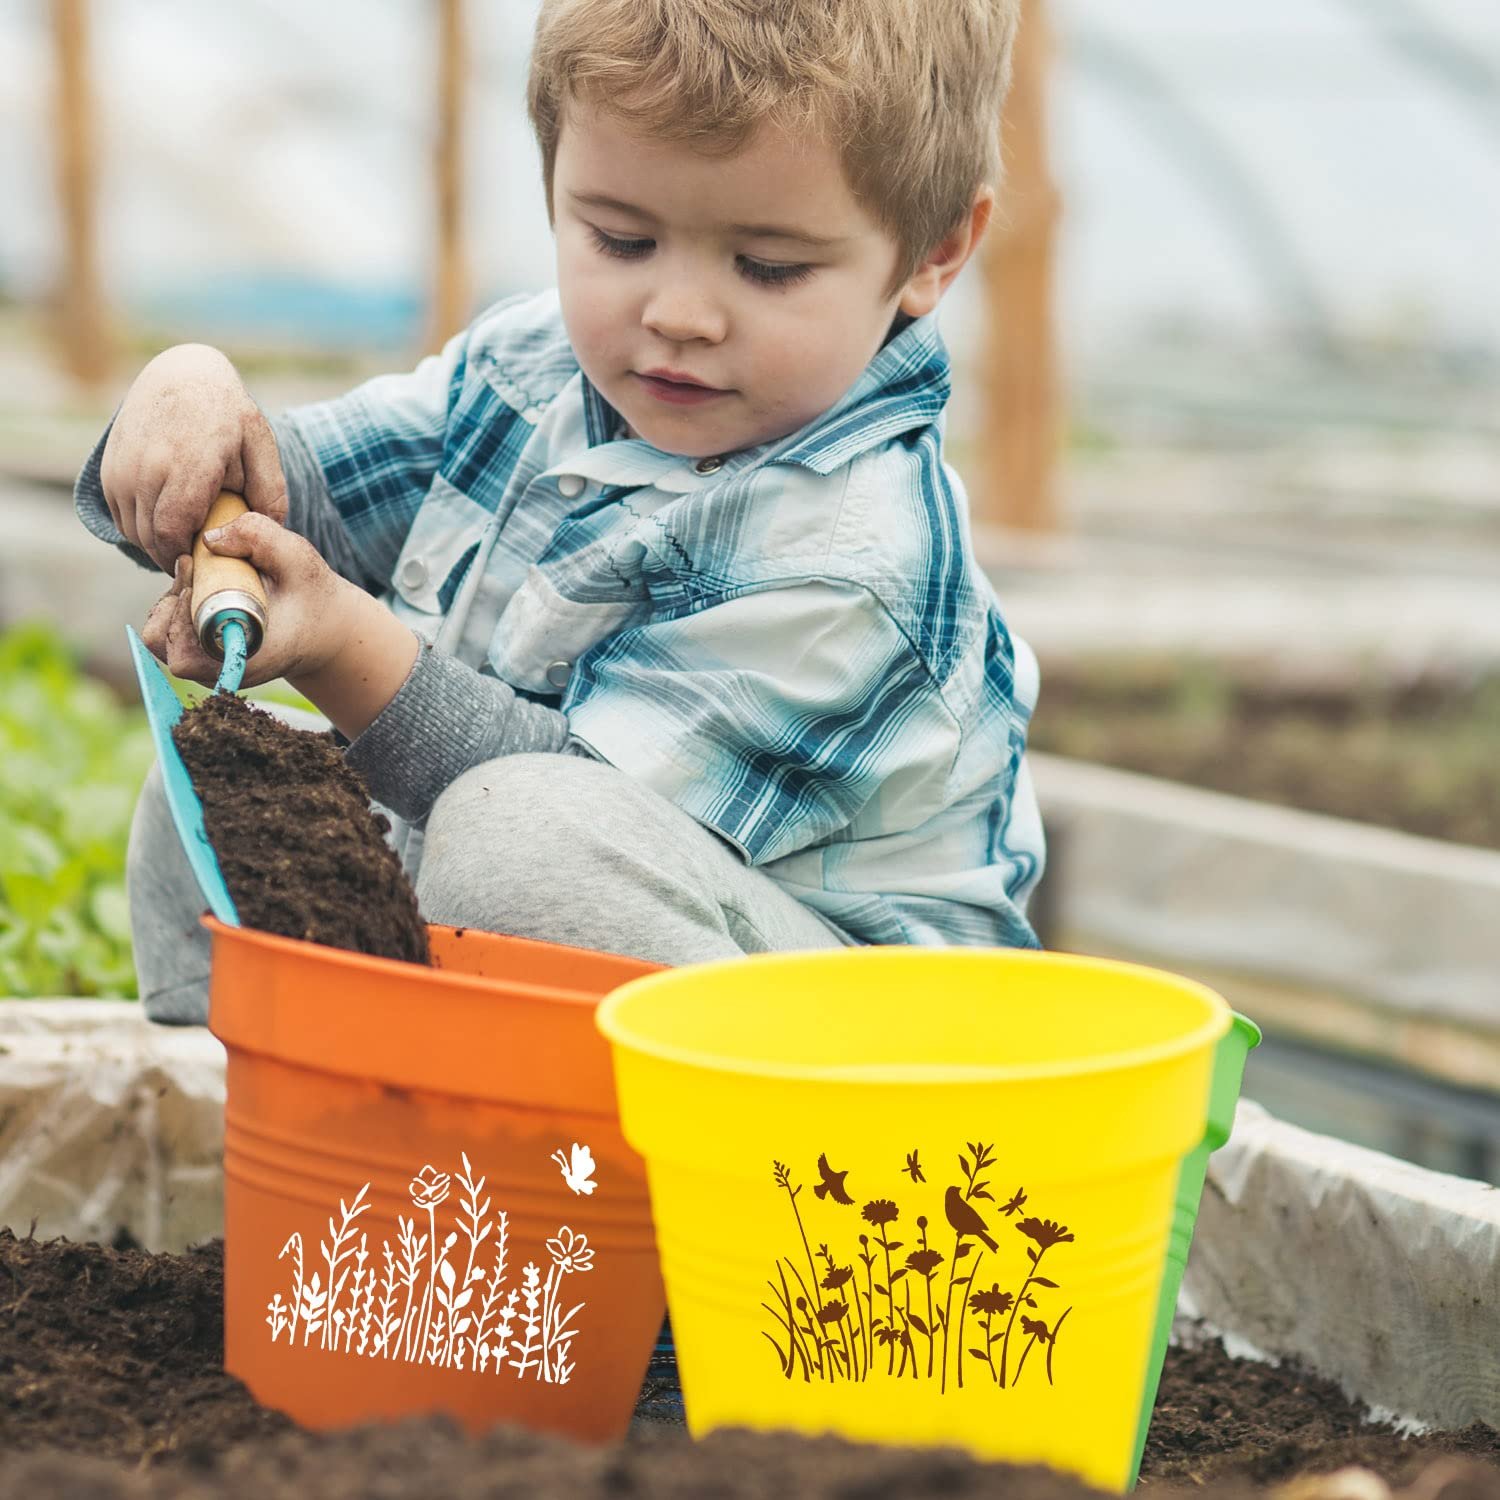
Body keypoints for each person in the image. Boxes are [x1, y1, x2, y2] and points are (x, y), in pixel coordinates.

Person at [75, 0, 1045, 1025]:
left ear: (935, 252)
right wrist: (194, 409)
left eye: (768, 267)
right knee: (228, 780)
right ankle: (288, 1126)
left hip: (849, 1052)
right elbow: (297, 496)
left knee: (518, 836)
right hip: (544, 950)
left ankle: (553, 1168)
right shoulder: (534, 369)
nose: (677, 314)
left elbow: (565, 826)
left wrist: (342, 647)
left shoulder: (854, 557)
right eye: (622, 240)